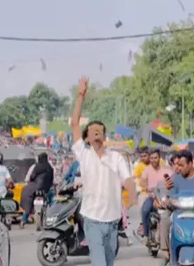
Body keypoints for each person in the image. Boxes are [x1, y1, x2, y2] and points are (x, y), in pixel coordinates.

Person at [70, 76, 135, 266]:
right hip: (92, 220)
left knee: (108, 262)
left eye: (100, 129)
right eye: (92, 130)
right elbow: (74, 124)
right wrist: (81, 95)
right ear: (88, 138)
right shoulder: (83, 153)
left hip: (113, 221)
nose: (97, 131)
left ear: (104, 135)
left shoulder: (116, 158)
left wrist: (132, 194)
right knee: (99, 263)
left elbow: (128, 179)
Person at [139, 148, 172, 244]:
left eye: (156, 158)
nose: (154, 160)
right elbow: (142, 182)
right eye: (152, 158)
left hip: (164, 197)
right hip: (152, 197)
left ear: (159, 158)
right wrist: (145, 187)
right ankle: (145, 235)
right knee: (145, 210)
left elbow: (171, 180)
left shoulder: (166, 170)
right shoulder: (146, 170)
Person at [20, 152, 55, 228]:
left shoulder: (35, 167)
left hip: (35, 189)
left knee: (28, 202)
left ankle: (23, 221)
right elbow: (53, 180)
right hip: (46, 189)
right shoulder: (50, 167)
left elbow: (29, 178)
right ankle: (53, 217)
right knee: (52, 201)